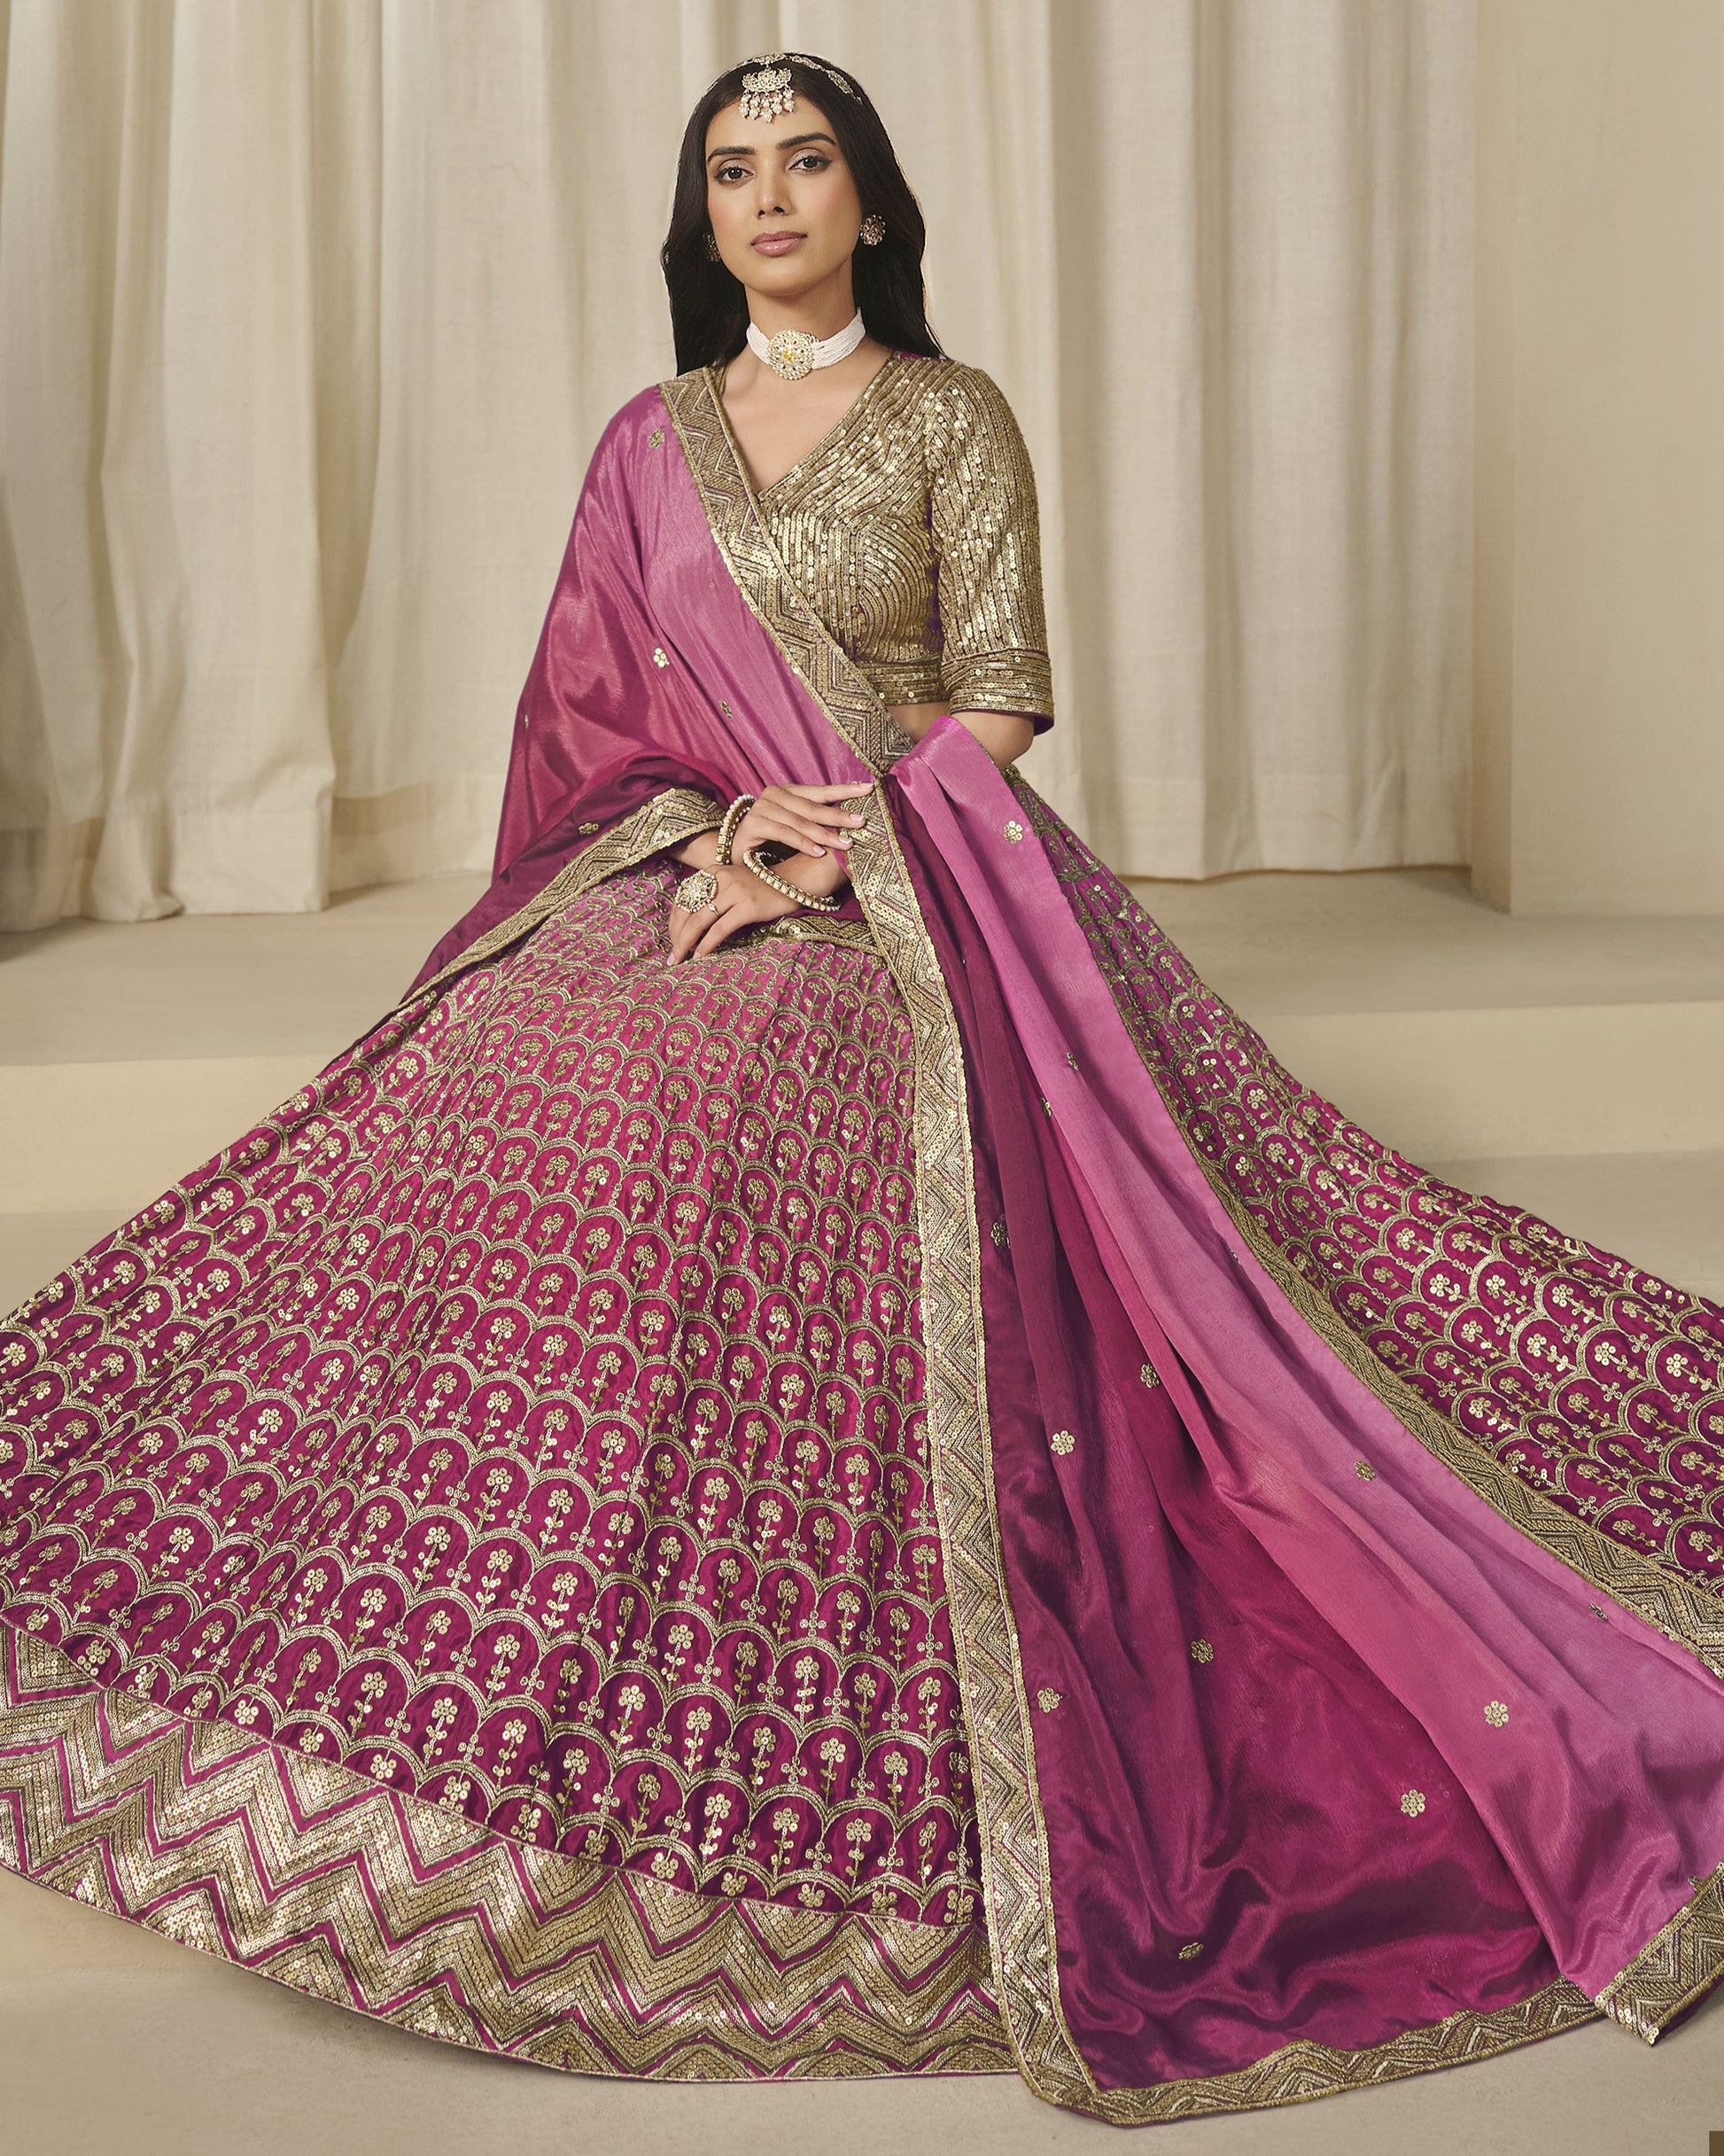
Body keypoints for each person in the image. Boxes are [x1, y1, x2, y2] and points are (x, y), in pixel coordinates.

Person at [2, 50, 1722, 2128]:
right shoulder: (647, 441)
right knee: (535, 1039)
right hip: (692, 857)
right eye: (733, 169)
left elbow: (998, 697)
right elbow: (596, 730)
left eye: (805, 161)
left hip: (927, 888)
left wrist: (835, 847)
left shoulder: (945, 414)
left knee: (742, 1072)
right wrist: (715, 836)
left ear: (872, 203)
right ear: (700, 216)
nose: (768, 196)